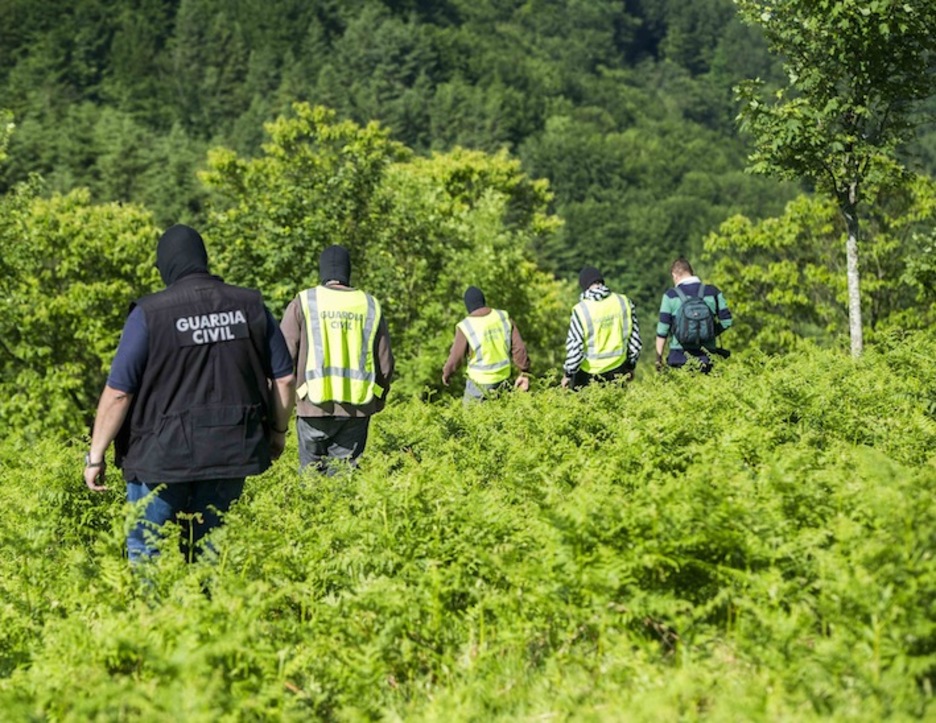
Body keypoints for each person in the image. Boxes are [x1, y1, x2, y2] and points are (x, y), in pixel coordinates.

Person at [83, 224, 296, 563]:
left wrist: (96, 455)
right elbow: (284, 380)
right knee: (210, 553)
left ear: (166, 264)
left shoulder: (149, 314)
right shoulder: (250, 305)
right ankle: (208, 612)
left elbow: (119, 393)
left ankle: (153, 616)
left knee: (147, 552)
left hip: (160, 456)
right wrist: (277, 432)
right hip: (230, 450)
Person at [280, 245, 394, 474]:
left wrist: (285, 401)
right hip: (357, 408)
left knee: (311, 480)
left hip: (312, 405)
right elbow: (385, 364)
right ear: (348, 272)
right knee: (343, 481)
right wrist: (378, 398)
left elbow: (284, 355)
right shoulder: (369, 305)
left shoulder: (305, 301)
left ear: (322, 272)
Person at [442, 286, 531, 402]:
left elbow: (455, 358)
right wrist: (524, 372)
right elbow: (519, 349)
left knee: (469, 419)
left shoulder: (466, 326)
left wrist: (447, 374)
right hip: (503, 381)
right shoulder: (503, 317)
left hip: (478, 386)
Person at [562, 266, 641, 389]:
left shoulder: (581, 310)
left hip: (588, 375)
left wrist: (568, 373)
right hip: (618, 370)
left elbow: (576, 348)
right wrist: (630, 366)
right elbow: (634, 341)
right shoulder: (623, 302)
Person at [655, 257, 733, 373]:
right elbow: (727, 321)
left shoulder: (670, 295)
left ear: (674, 275)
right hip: (707, 358)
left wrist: (658, 358)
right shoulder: (713, 292)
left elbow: (663, 330)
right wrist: (710, 332)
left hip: (678, 357)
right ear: (691, 273)